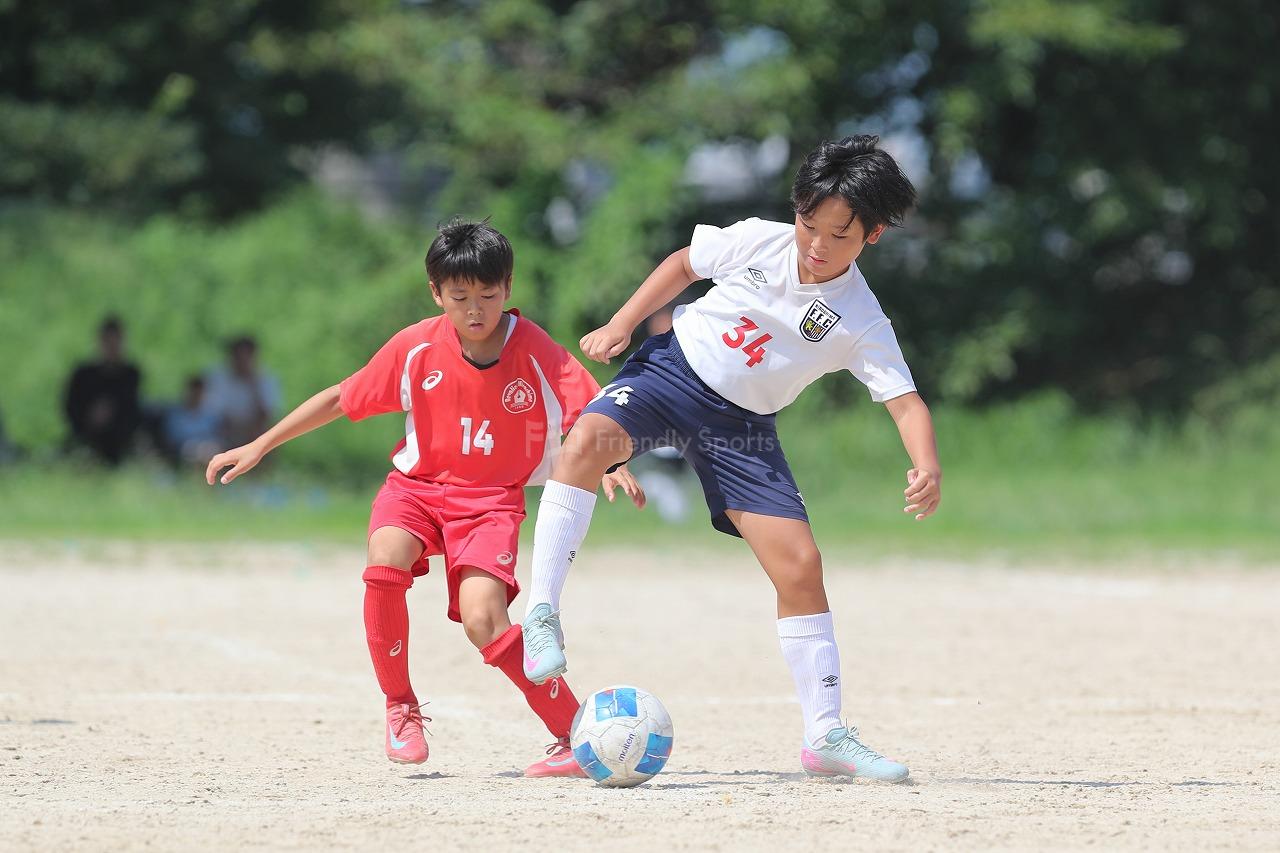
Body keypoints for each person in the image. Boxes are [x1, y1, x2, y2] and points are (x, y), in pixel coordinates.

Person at [521, 135, 941, 783]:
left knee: (801, 565)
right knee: (583, 445)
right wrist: (623, 322)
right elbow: (683, 265)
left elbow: (906, 403)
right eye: (809, 224)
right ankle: (542, 613)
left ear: (873, 235)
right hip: (670, 373)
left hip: (741, 428)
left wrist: (926, 465)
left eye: (839, 235)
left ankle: (825, 733)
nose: (817, 245)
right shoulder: (760, 240)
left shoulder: (861, 318)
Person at [205, 219, 644, 774]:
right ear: (436, 293)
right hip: (415, 490)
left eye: (488, 295)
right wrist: (261, 445)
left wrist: (612, 462)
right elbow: (342, 397)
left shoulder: (534, 349)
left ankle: (573, 733)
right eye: (460, 298)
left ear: (508, 288)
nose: (475, 310)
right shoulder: (415, 346)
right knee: (385, 558)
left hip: (489, 502)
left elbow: (595, 408)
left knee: (484, 620)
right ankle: (401, 707)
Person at [64, 315, 143, 465]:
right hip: (87, 435)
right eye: (108, 342)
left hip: (119, 439)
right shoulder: (83, 375)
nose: (112, 347)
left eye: (115, 342)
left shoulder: (130, 375)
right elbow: (71, 407)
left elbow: (132, 409)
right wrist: (90, 417)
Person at [203, 335, 280, 449]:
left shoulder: (265, 378)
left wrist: (253, 385)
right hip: (223, 430)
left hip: (253, 430)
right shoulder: (217, 377)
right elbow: (213, 412)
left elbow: (267, 413)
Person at [162, 376, 222, 466]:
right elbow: (173, 438)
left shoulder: (210, 414)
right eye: (194, 393)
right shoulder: (176, 414)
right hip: (183, 448)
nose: (196, 396)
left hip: (208, 446)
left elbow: (216, 434)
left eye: (199, 393)